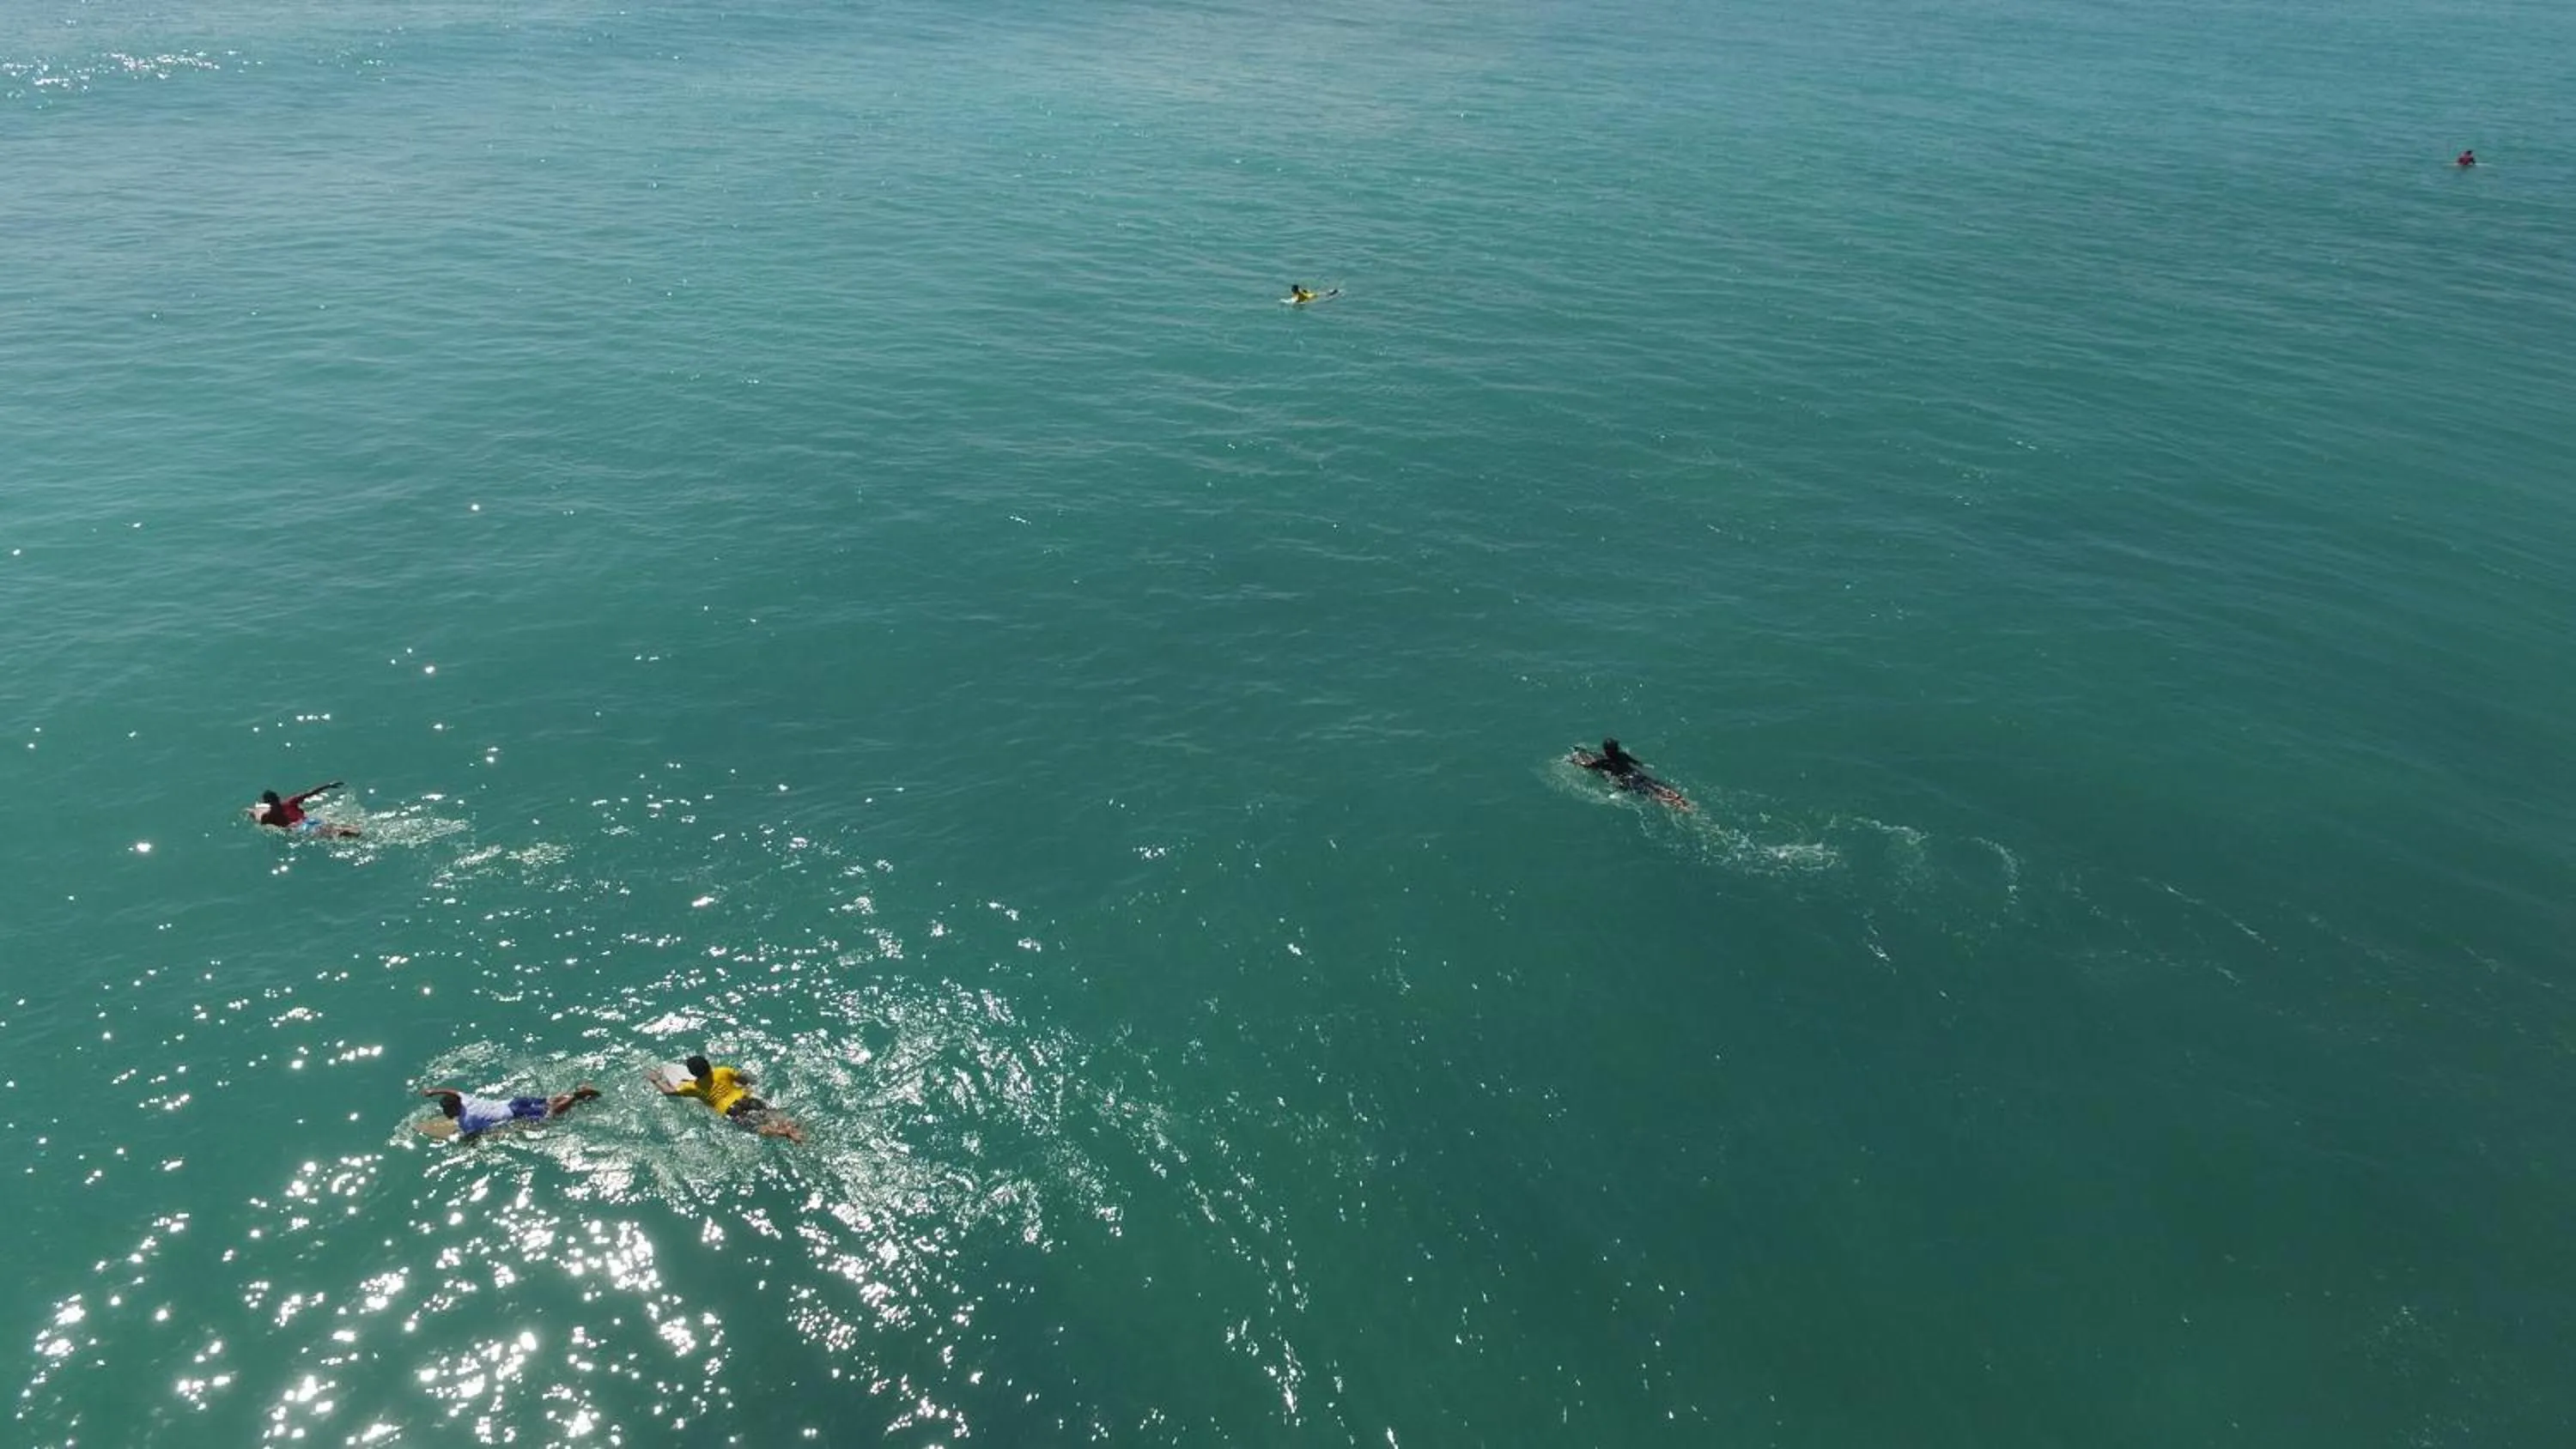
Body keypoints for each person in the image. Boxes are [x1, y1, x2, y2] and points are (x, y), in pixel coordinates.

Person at [653, 1054, 805, 1143]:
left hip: (731, 1110)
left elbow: (668, 1092)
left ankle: (783, 1134)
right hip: (746, 1099)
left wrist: (656, 1080)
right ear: (708, 1064)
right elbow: (744, 1080)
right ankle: (793, 1129)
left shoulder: (692, 1087)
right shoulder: (723, 1071)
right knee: (771, 1113)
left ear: (692, 1074)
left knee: (758, 1128)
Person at [418, 1083, 600, 1141]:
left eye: (446, 1109)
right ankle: (578, 1092)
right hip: (513, 1102)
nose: (445, 1112)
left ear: (455, 1108)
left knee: (549, 1114)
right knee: (548, 1101)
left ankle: (575, 1097)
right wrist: (434, 1091)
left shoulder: (467, 1122)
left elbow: (473, 1139)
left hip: (513, 1115)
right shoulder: (464, 1099)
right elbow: (452, 1091)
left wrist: (462, 1143)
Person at [1570, 737, 1693, 810]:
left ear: (1606, 751)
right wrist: (1644, 765)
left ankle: (1678, 806)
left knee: (1651, 794)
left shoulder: (1605, 762)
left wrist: (1575, 761)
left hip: (1628, 781)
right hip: (1637, 774)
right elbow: (1636, 763)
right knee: (1656, 786)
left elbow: (1589, 766)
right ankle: (1679, 799)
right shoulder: (1622, 755)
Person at [251, 780, 358, 837]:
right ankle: (350, 829)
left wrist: (252, 812)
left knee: (329, 833)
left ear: (267, 803)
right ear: (278, 798)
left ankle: (346, 832)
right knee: (331, 827)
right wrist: (328, 785)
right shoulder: (289, 802)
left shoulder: (268, 816)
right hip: (308, 820)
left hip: (300, 828)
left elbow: (260, 821)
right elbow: (309, 793)